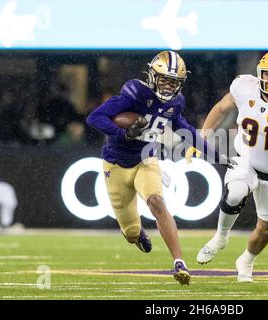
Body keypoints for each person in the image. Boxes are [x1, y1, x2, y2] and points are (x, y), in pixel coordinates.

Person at [86, 51, 227, 285]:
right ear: (152, 76)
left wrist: (215, 154)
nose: (169, 86)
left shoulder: (175, 103)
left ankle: (179, 262)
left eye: (174, 82)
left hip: (145, 159)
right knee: (130, 233)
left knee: (156, 203)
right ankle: (137, 233)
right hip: (116, 164)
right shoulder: (135, 93)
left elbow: (187, 131)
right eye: (164, 80)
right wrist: (123, 132)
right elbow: (94, 118)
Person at [189, 50, 268, 282]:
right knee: (235, 193)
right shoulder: (245, 86)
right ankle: (221, 237)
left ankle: (246, 261)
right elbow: (220, 108)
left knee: (266, 228)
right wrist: (202, 137)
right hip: (244, 159)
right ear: (259, 73)